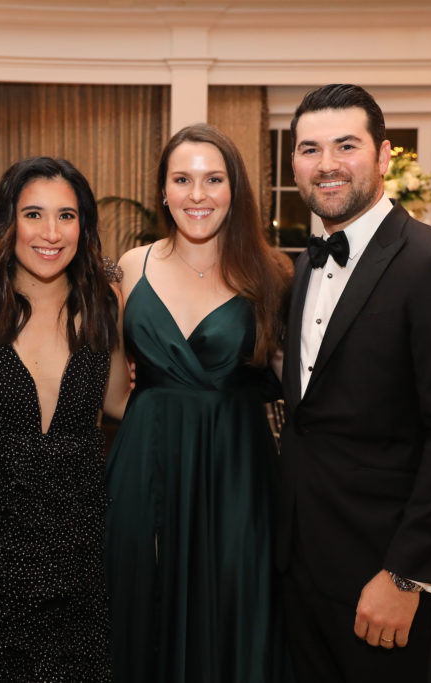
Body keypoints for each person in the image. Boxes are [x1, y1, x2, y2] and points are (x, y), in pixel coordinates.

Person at [278, 84, 431, 682]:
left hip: (383, 569)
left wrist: (406, 575)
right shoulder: (300, 269)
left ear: (381, 156)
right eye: (309, 149)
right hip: (298, 563)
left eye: (345, 145)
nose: (326, 164)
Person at [0, 157, 128, 680]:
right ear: (7, 222)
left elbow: (118, 404)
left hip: (75, 548)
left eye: (67, 215)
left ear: (84, 225)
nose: (51, 233)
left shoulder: (105, 305)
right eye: (33, 214)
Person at [104, 123, 292, 682]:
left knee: (238, 602)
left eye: (213, 179)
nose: (197, 194)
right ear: (163, 189)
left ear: (235, 189)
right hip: (145, 462)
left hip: (237, 470)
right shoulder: (129, 266)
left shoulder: (272, 273)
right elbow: (114, 397)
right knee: (139, 604)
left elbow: (297, 379)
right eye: (182, 179)